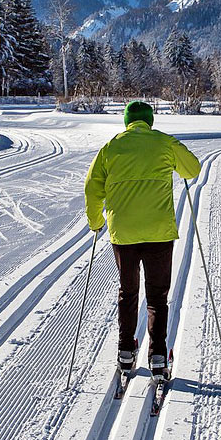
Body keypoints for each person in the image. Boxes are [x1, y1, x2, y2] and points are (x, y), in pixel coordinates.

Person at [84, 100, 201, 379]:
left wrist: (96, 222)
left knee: (128, 291)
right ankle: (158, 356)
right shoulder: (164, 143)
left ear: (127, 121)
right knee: (157, 295)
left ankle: (126, 351)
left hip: (123, 233)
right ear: (150, 120)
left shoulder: (111, 147)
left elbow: (92, 188)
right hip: (158, 231)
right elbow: (192, 170)